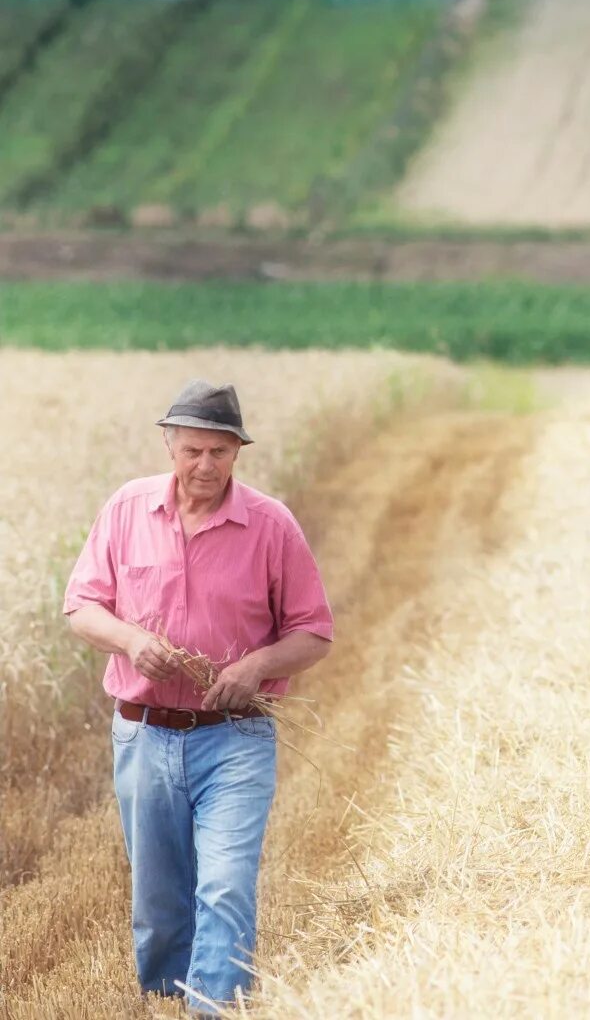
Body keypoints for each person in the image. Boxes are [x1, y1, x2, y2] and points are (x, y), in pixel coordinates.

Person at [64, 380, 333, 1014]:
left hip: (235, 736)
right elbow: (81, 606)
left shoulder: (271, 524)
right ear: (169, 445)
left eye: (219, 452)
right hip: (143, 732)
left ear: (238, 451)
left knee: (226, 886)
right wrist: (130, 641)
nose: (204, 466)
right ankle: (165, 996)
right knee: (159, 902)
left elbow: (314, 631)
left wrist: (257, 666)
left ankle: (214, 1007)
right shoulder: (127, 510)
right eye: (192, 451)